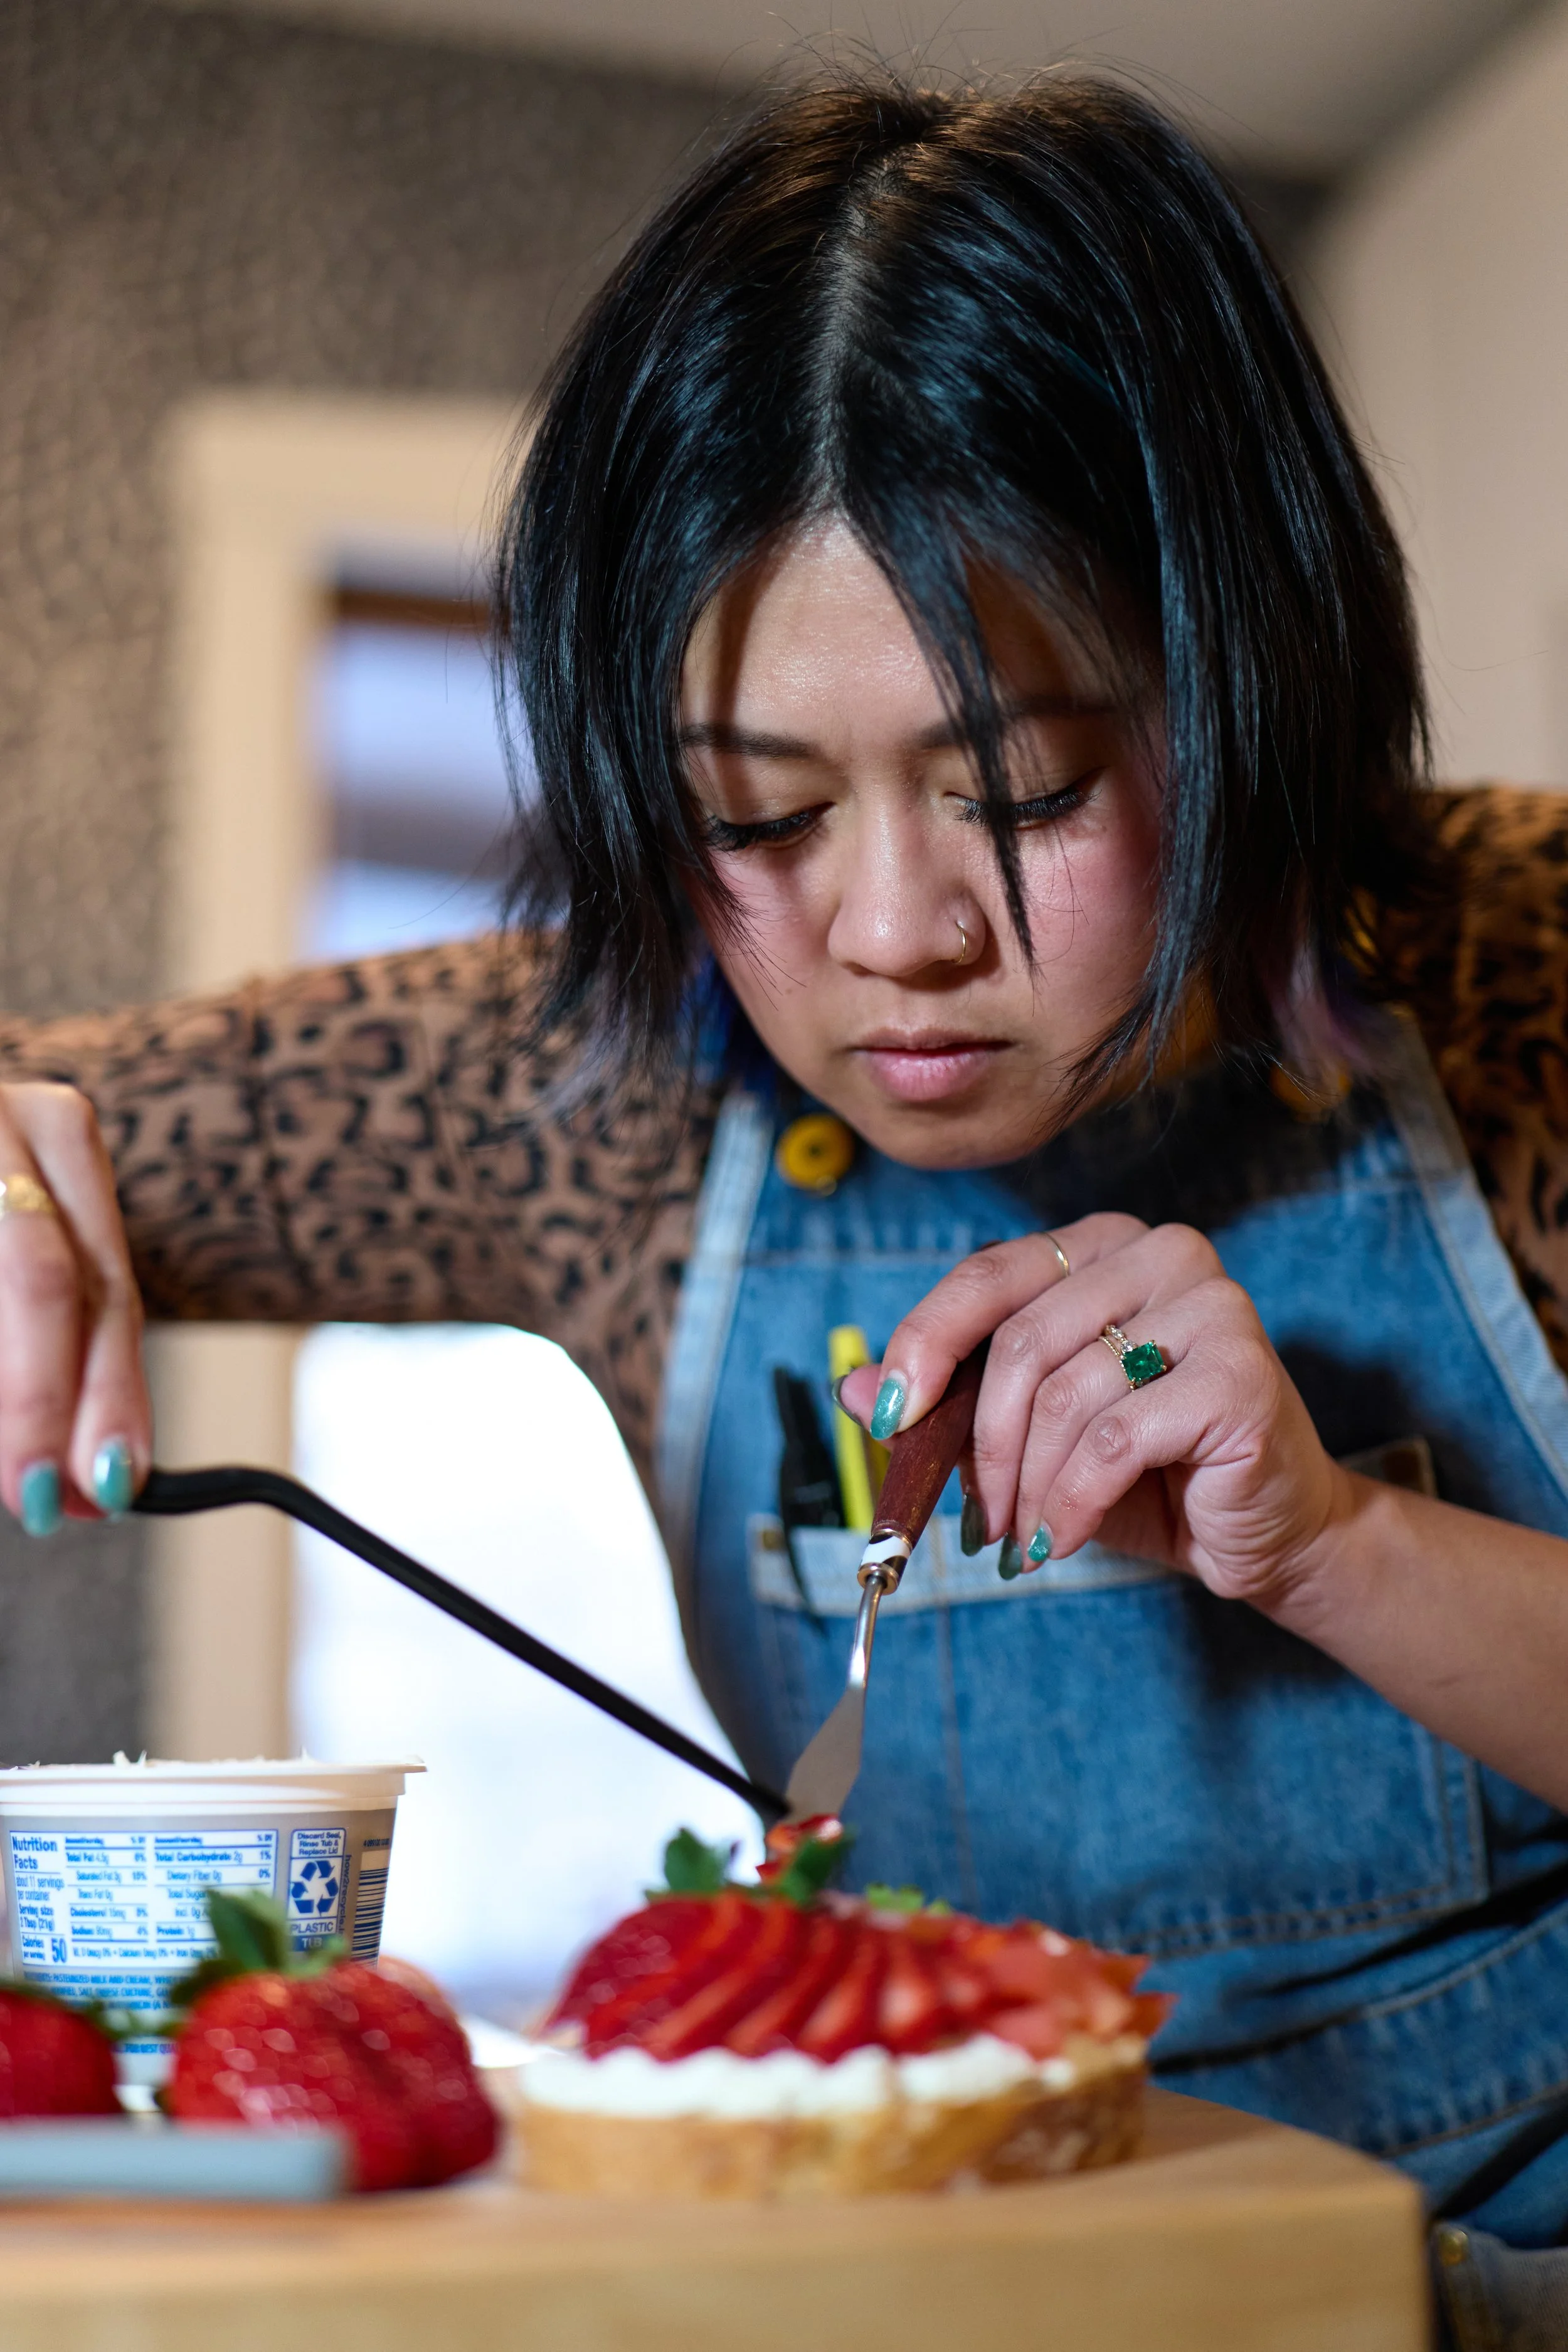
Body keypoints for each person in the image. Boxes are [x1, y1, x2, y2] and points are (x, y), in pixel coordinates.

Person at [0, 72, 1562, 2343]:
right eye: (754, 814)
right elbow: (53, 1106)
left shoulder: (1528, 987)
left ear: (1248, 684)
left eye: (1016, 786)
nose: (893, 931)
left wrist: (1332, 1545)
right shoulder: (596, 1087)